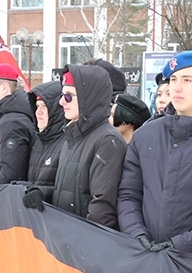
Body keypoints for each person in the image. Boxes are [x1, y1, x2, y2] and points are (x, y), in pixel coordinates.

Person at [117, 51, 192, 256]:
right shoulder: (146, 135)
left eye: (187, 80)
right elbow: (129, 194)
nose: (176, 87)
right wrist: (136, 234)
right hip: (147, 258)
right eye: (173, 79)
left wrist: (181, 246)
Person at [22, 63, 127, 229]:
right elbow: (71, 193)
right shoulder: (72, 136)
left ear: (89, 98)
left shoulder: (107, 141)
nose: (62, 102)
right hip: (67, 238)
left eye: (69, 96)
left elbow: (102, 208)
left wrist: (79, 246)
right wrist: (44, 193)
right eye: (63, 95)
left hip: (82, 244)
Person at [0, 63, 35, 187]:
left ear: (4, 88)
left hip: (0, 202)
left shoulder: (12, 123)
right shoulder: (3, 118)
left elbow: (10, 175)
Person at [27, 81, 65, 187]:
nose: (38, 112)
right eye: (37, 106)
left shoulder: (67, 143)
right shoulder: (38, 140)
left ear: (58, 110)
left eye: (44, 106)